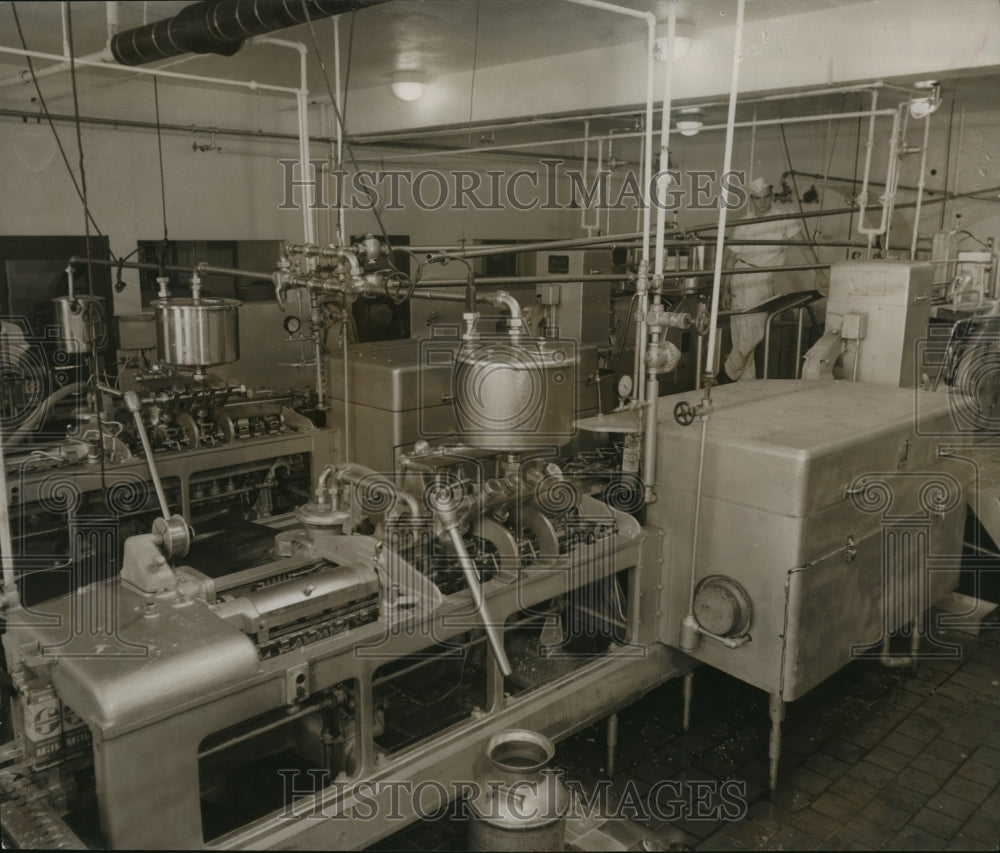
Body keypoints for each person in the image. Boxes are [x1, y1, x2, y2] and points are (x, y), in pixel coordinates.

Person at [717, 176, 803, 383]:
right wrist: (724, 290)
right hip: (741, 277)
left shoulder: (784, 219)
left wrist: (820, 272)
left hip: (764, 279)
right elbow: (729, 258)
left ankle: (729, 380)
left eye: (766, 198)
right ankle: (732, 382)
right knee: (745, 337)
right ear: (751, 199)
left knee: (750, 337)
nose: (762, 203)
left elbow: (805, 244)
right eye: (757, 199)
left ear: (772, 196)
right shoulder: (744, 224)